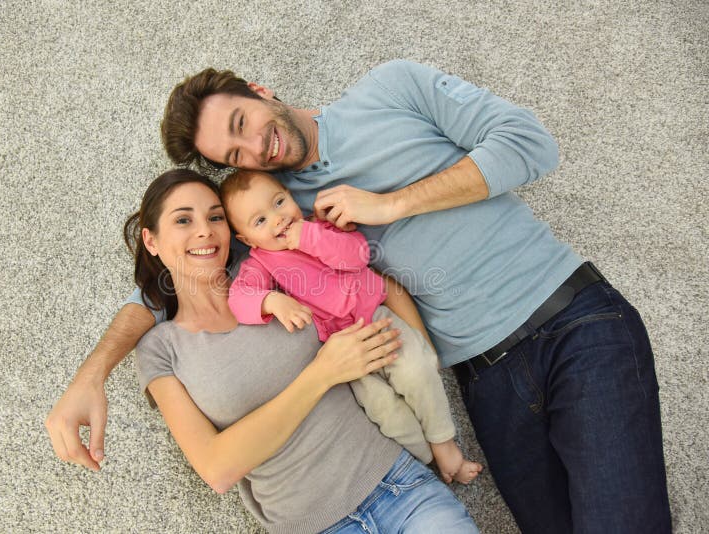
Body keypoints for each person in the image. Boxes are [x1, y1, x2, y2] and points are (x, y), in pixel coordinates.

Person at [46, 60, 671, 533]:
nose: (253, 148)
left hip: (570, 320)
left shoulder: (391, 88)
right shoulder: (273, 215)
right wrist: (92, 375)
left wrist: (391, 204)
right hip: (487, 380)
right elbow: (180, 277)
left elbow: (532, 145)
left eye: (243, 124)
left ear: (261, 92)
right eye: (232, 154)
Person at [122, 168, 480, 533]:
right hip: (315, 524)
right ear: (151, 241)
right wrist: (321, 373)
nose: (204, 230)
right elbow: (217, 469)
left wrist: (425, 354)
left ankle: (440, 447)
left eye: (215, 217)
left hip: (399, 480)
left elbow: (370, 276)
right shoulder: (163, 346)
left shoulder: (276, 266)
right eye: (184, 219)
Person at [221, 168, 482, 484]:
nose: (277, 219)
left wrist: (309, 237)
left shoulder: (321, 228)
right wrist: (270, 302)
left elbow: (357, 255)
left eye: (278, 202)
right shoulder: (260, 264)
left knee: (417, 371)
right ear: (246, 240)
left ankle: (445, 444)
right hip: (343, 348)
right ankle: (428, 457)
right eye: (260, 221)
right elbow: (238, 297)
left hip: (376, 319)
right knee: (384, 411)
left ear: (290, 197)